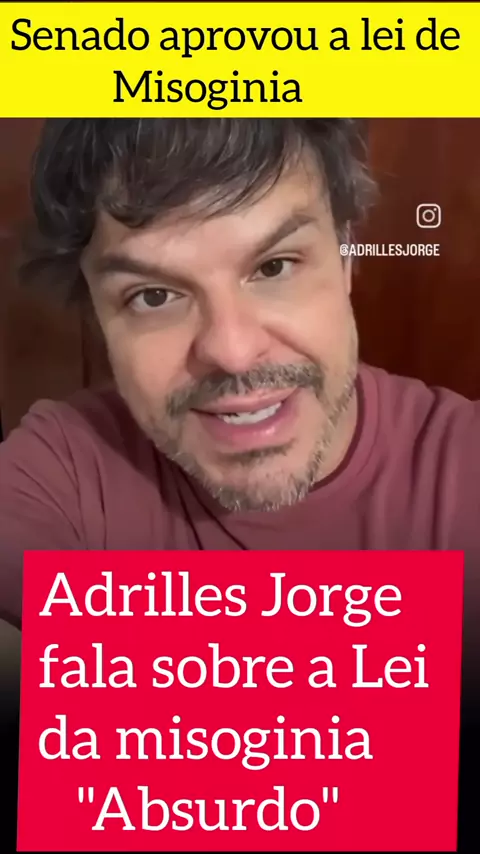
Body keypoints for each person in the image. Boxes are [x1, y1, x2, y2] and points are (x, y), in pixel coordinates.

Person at [0, 120, 478, 681]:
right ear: (99, 318)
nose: (232, 352)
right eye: (153, 296)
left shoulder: (464, 468)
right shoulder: (61, 471)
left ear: (346, 257)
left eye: (274, 266)